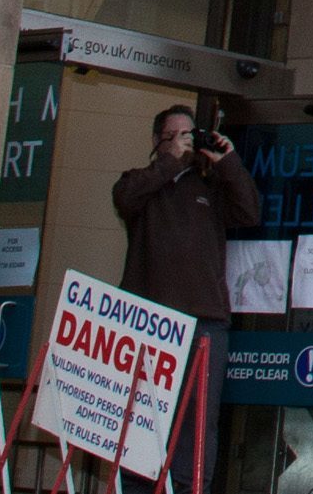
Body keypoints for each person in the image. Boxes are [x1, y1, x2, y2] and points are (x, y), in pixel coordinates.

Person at [111, 103, 258, 487]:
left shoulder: (211, 187)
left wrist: (228, 164)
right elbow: (125, 198)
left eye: (190, 134)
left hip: (204, 323)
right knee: (144, 419)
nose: (185, 141)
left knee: (197, 425)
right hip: (151, 322)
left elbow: (249, 212)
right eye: (176, 135)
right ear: (158, 141)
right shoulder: (140, 182)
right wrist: (169, 164)